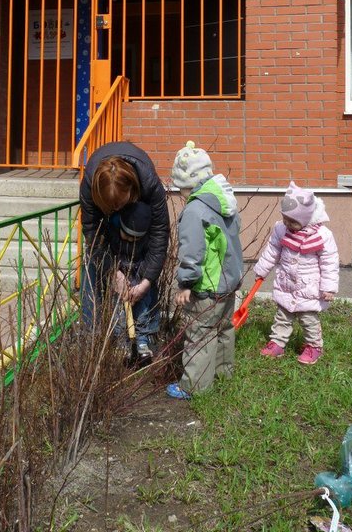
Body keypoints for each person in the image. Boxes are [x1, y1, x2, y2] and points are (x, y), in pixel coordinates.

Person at [166, 141, 244, 399]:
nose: (180, 194)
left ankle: (195, 385)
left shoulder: (195, 209)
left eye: (180, 188)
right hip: (229, 281)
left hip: (207, 286)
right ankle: (223, 373)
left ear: (187, 184)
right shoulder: (223, 199)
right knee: (224, 328)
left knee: (200, 333)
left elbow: (192, 250)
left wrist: (186, 282)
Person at [79, 141, 170, 358]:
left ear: (131, 188)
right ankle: (93, 338)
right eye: (111, 206)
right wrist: (113, 272)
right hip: (108, 230)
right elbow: (93, 233)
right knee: (93, 271)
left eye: (120, 203)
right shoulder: (89, 187)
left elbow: (159, 234)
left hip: (139, 221)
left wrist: (147, 280)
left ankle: (145, 335)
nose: (116, 209)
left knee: (142, 274)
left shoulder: (149, 184)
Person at [253, 181, 339, 365]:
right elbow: (272, 251)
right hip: (286, 284)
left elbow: (330, 262)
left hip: (309, 288)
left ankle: (314, 346)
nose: (287, 224)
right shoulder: (281, 230)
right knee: (282, 316)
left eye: (293, 221)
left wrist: (329, 288)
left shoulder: (322, 236)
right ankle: (277, 342)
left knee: (308, 319)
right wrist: (261, 270)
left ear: (307, 218)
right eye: (285, 218)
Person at [109, 201, 159, 364]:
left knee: (143, 309)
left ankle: (142, 341)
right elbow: (107, 256)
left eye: (136, 238)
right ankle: (121, 343)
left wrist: (140, 284)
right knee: (119, 312)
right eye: (128, 235)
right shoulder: (113, 230)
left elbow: (152, 259)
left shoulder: (149, 237)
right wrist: (115, 274)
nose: (131, 240)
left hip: (138, 278)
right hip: (119, 280)